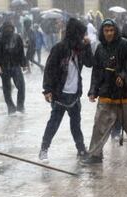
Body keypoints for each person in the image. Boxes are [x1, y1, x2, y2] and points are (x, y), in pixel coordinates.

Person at [85, 19, 127, 164]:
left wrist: (124, 75)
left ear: (116, 31)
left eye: (111, 30)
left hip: (126, 95)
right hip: (106, 93)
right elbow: (96, 72)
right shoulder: (100, 49)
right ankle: (95, 155)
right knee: (100, 125)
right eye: (106, 30)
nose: (109, 33)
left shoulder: (125, 45)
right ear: (102, 32)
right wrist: (93, 90)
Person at [39, 18, 93, 161]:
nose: (83, 37)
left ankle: (81, 150)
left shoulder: (80, 48)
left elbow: (89, 63)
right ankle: (44, 149)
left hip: (75, 94)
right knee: (54, 123)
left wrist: (88, 46)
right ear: (75, 34)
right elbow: (49, 69)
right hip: (59, 94)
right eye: (81, 34)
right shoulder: (59, 48)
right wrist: (47, 90)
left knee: (76, 124)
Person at [0, 21, 27, 114]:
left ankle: (20, 106)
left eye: (11, 28)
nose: (9, 30)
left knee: (21, 86)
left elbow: (21, 51)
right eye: (7, 28)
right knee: (7, 89)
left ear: (13, 28)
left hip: (15, 65)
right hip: (4, 67)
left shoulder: (17, 37)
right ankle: (11, 108)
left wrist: (23, 64)